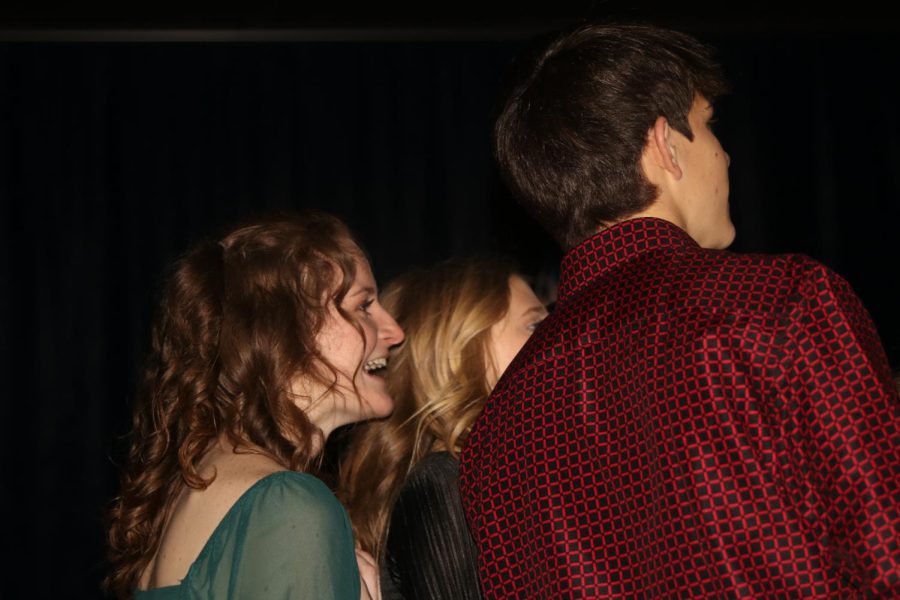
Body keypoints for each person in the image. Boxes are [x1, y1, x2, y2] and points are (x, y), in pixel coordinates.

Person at [459, 22, 900, 597]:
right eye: (711, 126)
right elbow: (887, 547)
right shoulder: (781, 304)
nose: (726, 154)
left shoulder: (497, 431)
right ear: (665, 145)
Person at [105, 211, 404, 599]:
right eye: (363, 306)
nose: (394, 332)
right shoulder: (288, 505)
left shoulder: (196, 489)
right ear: (285, 327)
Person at [339, 258, 548, 600]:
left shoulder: (480, 475)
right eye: (535, 325)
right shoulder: (444, 483)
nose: (559, 335)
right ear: (461, 352)